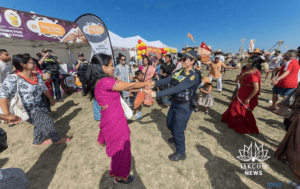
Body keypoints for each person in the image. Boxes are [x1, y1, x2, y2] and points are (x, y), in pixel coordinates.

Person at [83, 53, 152, 184]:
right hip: (115, 120)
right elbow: (130, 86)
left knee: (118, 148)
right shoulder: (105, 81)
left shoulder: (101, 80)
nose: (113, 67)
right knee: (121, 149)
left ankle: (118, 174)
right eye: (110, 65)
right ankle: (119, 176)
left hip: (111, 118)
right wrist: (145, 83)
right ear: (103, 67)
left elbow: (122, 85)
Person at [0, 54, 71, 145]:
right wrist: (7, 114)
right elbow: (3, 95)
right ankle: (56, 139)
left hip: (40, 104)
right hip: (27, 108)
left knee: (39, 123)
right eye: (32, 62)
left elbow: (44, 88)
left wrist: (51, 99)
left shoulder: (37, 75)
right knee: (47, 122)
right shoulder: (12, 78)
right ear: (23, 64)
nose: (35, 63)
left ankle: (38, 141)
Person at [145, 49, 200, 161]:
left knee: (178, 129)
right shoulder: (179, 71)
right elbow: (168, 79)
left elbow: (177, 88)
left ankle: (181, 153)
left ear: (192, 61)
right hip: (175, 103)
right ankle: (175, 137)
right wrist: (153, 82)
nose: (182, 60)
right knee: (169, 123)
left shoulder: (193, 76)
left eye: (185, 59)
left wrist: (156, 94)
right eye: (181, 58)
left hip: (185, 106)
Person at [221, 56, 264, 134]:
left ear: (256, 63)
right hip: (241, 91)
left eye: (250, 61)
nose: (248, 63)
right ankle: (232, 122)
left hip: (247, 95)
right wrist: (244, 73)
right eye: (248, 61)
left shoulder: (254, 75)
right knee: (234, 107)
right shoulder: (246, 70)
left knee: (240, 110)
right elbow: (236, 80)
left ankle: (239, 126)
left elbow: (256, 89)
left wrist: (248, 98)